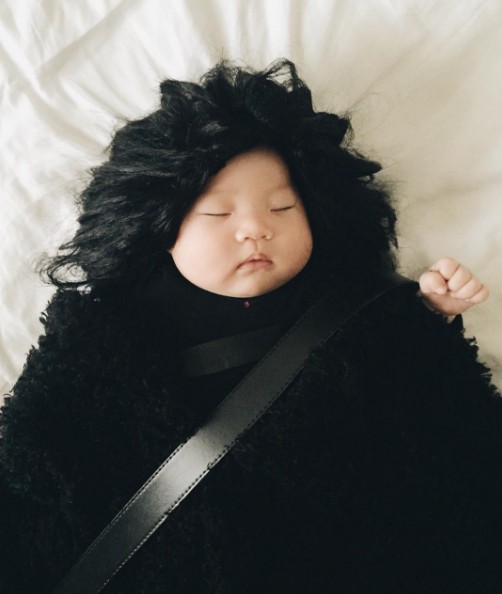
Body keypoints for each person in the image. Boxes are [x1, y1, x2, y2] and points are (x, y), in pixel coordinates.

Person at [0, 59, 499, 594]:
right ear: (161, 227)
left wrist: (428, 318)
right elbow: (41, 457)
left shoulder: (357, 304)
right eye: (218, 214)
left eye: (282, 207)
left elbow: (435, 429)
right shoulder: (103, 335)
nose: (256, 229)